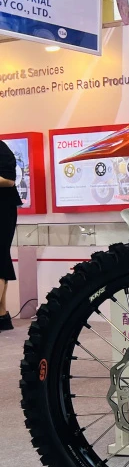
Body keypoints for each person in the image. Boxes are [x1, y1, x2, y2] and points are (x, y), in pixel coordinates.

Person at [0, 139, 22, 331]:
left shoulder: (1, 148)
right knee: (2, 259)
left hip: (2, 208)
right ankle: (2, 315)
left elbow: (9, 180)